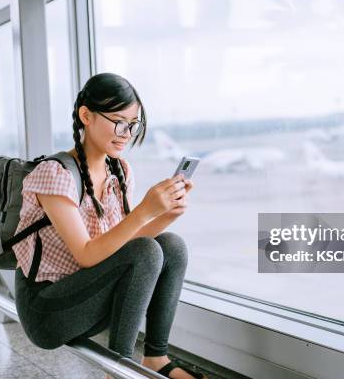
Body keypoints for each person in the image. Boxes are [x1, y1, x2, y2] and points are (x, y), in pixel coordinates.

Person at [12, 72, 207, 379]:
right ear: (86, 116)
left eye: (133, 124)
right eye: (119, 122)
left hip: (90, 294)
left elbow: (123, 245)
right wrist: (144, 210)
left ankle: (155, 358)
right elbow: (87, 255)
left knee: (172, 246)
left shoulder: (120, 170)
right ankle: (117, 372)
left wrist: (167, 214)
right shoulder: (54, 173)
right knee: (145, 250)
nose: (126, 133)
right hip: (47, 309)